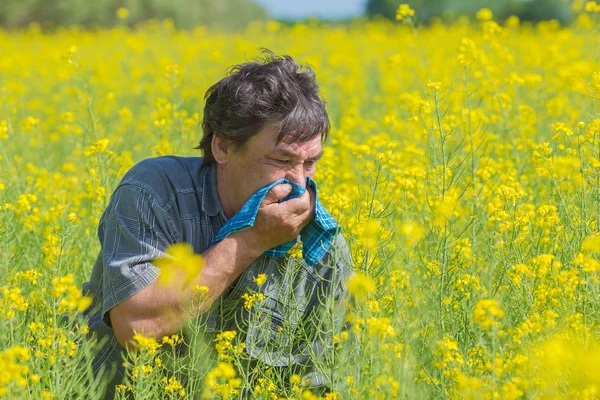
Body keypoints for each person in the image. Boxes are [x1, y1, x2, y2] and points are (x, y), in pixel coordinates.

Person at [81, 48, 353, 399]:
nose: (300, 185)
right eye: (281, 160)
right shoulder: (154, 193)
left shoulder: (322, 249)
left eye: (311, 163)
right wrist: (252, 240)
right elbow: (137, 326)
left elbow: (323, 382)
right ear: (223, 147)